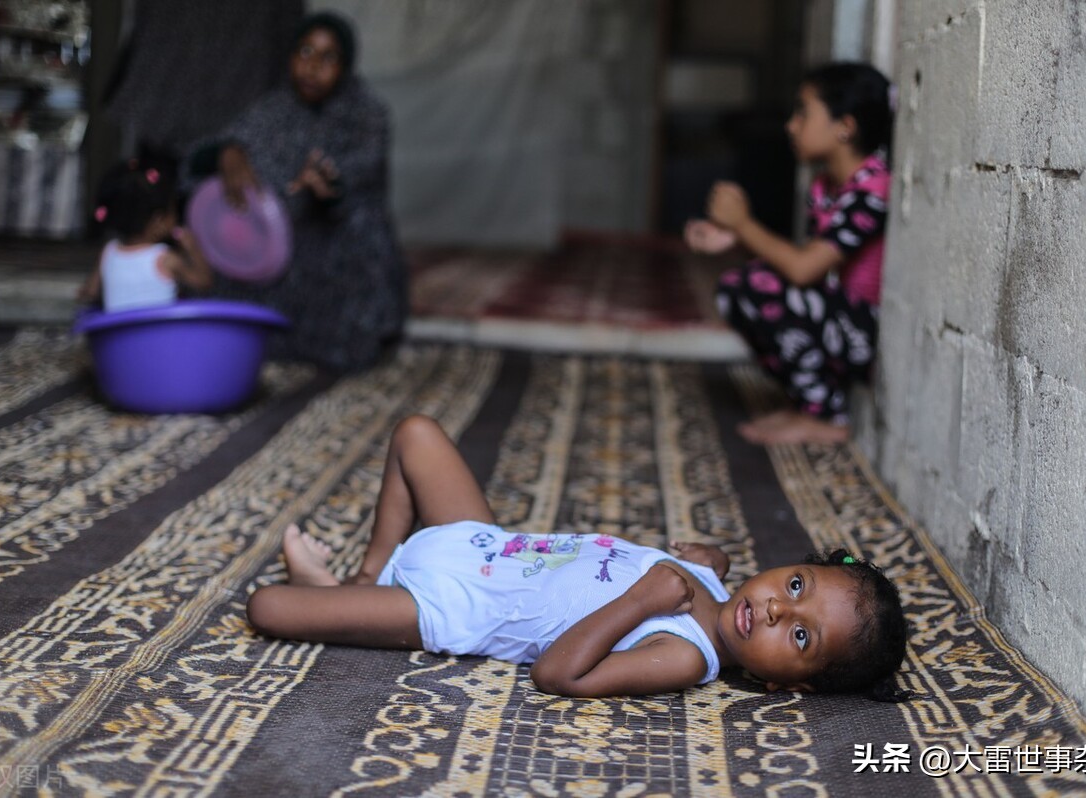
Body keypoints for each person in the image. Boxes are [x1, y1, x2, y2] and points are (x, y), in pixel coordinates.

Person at [247, 415, 910, 701]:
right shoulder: (714, 583)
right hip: (484, 541)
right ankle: (364, 576)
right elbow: (709, 581)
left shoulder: (684, 656)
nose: (773, 611)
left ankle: (343, 591)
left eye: (800, 636)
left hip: (450, 605)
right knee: (415, 433)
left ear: (788, 686)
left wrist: (640, 602)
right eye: (794, 585)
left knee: (268, 607)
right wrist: (712, 561)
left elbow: (559, 675)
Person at [687, 62, 893, 445]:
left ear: (845, 127)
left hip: (869, 337)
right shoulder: (827, 186)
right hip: (841, 321)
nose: (791, 125)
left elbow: (803, 270)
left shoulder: (873, 191)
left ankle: (827, 416)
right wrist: (735, 237)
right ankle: (807, 403)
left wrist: (743, 224)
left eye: (803, 113)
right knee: (737, 288)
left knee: (758, 285)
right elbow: (809, 260)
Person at [189, 11, 407, 372]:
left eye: (328, 57)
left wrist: (329, 187)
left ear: (345, 66)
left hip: (342, 248)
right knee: (226, 274)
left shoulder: (367, 114)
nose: (313, 66)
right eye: (305, 52)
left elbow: (362, 172)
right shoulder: (273, 110)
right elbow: (199, 158)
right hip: (280, 247)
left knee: (350, 338)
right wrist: (227, 152)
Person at [77, 158, 212, 312]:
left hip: (119, 329)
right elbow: (204, 282)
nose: (176, 220)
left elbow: (91, 292)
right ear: (158, 222)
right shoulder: (165, 258)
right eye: (172, 214)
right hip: (156, 329)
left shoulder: (108, 251)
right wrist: (193, 247)